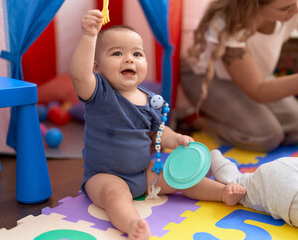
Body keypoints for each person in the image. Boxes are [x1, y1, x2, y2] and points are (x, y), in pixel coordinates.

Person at [69, 9, 246, 240]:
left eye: (137, 54)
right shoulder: (99, 92)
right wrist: (89, 36)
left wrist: (177, 139)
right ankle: (132, 223)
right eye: (117, 53)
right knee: (115, 196)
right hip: (104, 176)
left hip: (142, 173)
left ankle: (222, 193)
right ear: (97, 66)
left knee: (180, 177)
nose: (129, 59)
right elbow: (80, 75)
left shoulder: (151, 99)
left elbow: (159, 132)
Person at [180, 0, 298, 152]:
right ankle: (197, 120)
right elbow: (258, 90)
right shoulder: (227, 21)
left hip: (256, 75)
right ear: (254, 5)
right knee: (266, 136)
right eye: (285, 8)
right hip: (207, 77)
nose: (297, 9)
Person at [210, 149, 298, 239]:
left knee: (236, 182)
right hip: (288, 186)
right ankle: (208, 158)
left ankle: (212, 157)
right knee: (236, 184)